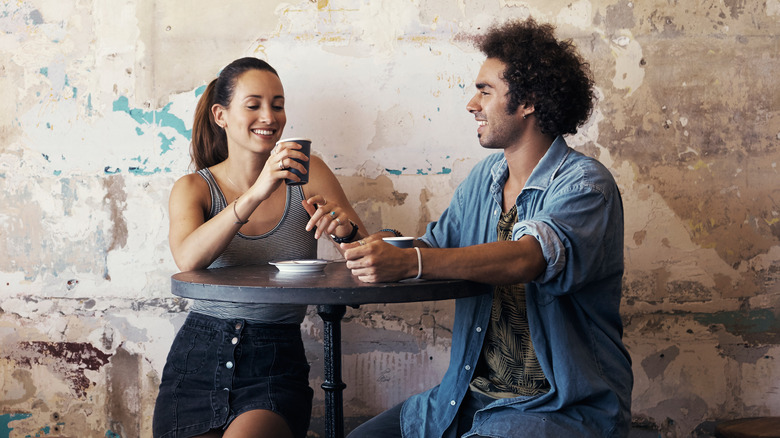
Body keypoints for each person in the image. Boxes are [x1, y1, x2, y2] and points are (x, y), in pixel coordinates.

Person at [343, 18, 633, 438]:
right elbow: (433, 246)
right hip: (468, 396)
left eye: (485, 91)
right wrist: (361, 239)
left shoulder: (586, 185)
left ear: (529, 100)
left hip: (558, 406)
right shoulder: (485, 177)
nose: (471, 104)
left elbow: (527, 257)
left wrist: (410, 262)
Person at [153, 57, 368, 438]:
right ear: (221, 115)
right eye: (253, 105)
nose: (269, 116)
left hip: (274, 354)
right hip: (200, 352)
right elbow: (187, 259)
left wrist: (346, 231)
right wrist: (256, 192)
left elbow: (367, 255)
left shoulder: (309, 173)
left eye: (278, 104)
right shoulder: (193, 188)